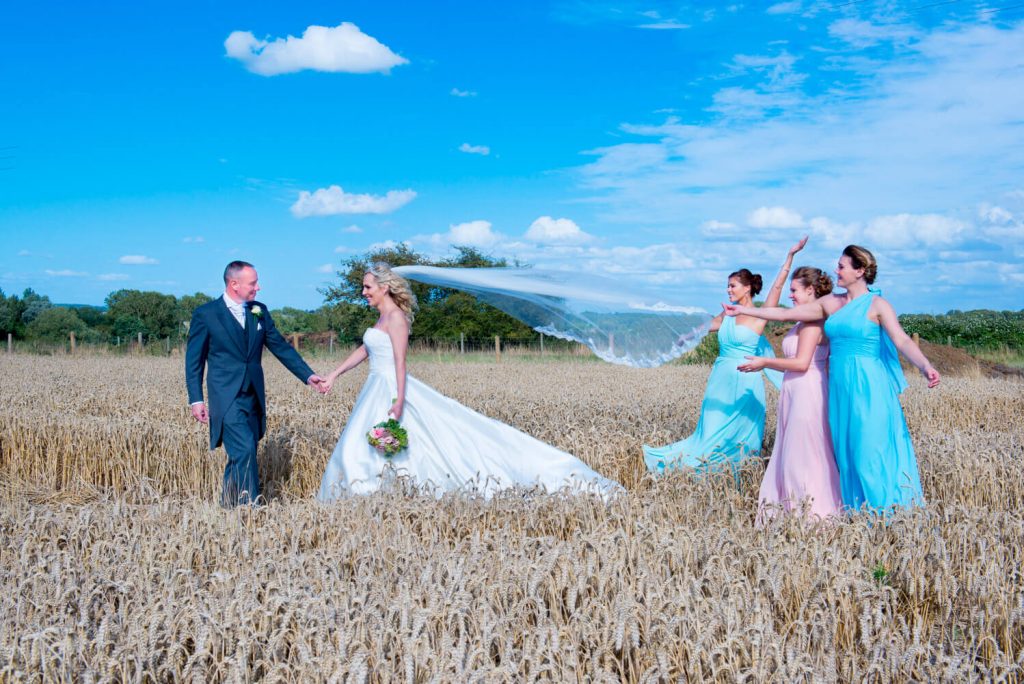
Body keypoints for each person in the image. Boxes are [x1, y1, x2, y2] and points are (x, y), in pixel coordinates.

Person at [317, 263, 620, 500]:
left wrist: (397, 401)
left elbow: (400, 361)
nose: (363, 292)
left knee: (415, 447)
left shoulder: (396, 318)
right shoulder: (381, 319)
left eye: (367, 287)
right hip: (374, 387)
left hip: (389, 388)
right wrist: (334, 374)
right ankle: (364, 495)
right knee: (362, 447)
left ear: (384, 287)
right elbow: (366, 349)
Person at [723, 245, 940, 511]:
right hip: (839, 386)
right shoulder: (831, 303)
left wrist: (925, 365)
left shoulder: (878, 305)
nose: (836, 270)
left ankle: (888, 512)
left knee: (870, 450)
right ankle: (856, 511)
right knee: (846, 453)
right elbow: (785, 314)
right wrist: (745, 311)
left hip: (869, 384)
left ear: (859, 271)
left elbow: (902, 339)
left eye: (841, 266)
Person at [641, 237, 808, 475]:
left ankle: (735, 477)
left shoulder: (760, 315)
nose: (728, 290)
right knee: (710, 428)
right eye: (727, 286)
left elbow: (777, 289)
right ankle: (695, 468)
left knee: (741, 438)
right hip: (720, 379)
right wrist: (684, 336)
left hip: (745, 382)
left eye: (733, 286)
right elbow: (707, 326)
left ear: (747, 287)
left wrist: (790, 257)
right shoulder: (727, 314)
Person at [185, 261, 326, 506]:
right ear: (234, 284)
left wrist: (308, 375)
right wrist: (196, 399)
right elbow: (194, 361)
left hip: (254, 395)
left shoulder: (258, 310)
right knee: (244, 451)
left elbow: (280, 346)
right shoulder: (206, 314)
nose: (258, 288)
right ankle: (251, 510)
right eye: (253, 283)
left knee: (243, 452)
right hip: (225, 396)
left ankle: (229, 507)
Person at [737, 267, 842, 524]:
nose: (791, 295)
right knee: (792, 452)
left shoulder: (814, 323)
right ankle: (791, 511)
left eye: (794, 290)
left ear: (810, 290)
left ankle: (813, 515)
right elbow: (780, 314)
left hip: (808, 390)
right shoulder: (801, 321)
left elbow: (802, 363)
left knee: (805, 454)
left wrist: (765, 362)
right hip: (794, 390)